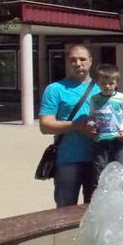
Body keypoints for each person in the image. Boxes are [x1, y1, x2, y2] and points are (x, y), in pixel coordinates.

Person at [39, 44, 100, 207]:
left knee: (95, 210)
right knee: (65, 211)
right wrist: (76, 126)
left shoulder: (102, 89)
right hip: (67, 160)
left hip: (97, 159)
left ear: (90, 61)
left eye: (82, 59)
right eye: (73, 59)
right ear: (67, 62)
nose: (78, 63)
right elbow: (45, 125)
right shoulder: (55, 89)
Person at [88, 63, 123, 178]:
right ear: (98, 83)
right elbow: (91, 116)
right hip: (100, 140)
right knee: (100, 171)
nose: (107, 86)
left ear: (117, 83)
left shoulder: (121, 97)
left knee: (117, 170)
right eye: (103, 83)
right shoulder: (94, 98)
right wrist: (91, 124)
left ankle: (117, 193)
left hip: (117, 139)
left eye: (111, 83)